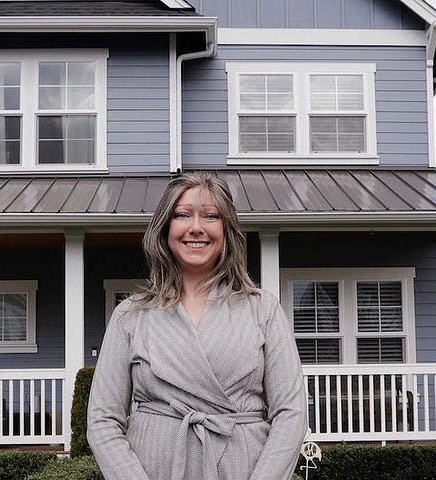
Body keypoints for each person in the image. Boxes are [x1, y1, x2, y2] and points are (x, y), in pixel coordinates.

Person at [88, 172, 308, 480]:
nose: (196, 228)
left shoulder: (262, 309)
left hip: (242, 469)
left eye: (210, 216)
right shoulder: (130, 315)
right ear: (165, 228)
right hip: (154, 469)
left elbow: (291, 412)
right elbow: (103, 418)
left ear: (226, 229)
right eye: (182, 215)